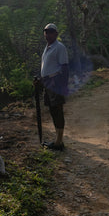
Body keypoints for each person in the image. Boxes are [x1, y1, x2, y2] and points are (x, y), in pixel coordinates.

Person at [38, 22, 69, 150]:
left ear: (56, 34)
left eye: (51, 32)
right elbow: (48, 68)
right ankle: (57, 139)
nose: (48, 34)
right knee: (52, 110)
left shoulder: (59, 47)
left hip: (56, 82)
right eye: (46, 32)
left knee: (57, 110)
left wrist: (62, 86)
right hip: (48, 82)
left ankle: (59, 142)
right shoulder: (47, 47)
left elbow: (65, 68)